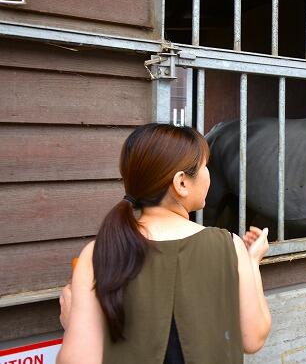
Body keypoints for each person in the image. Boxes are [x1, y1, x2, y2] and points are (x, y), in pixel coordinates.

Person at [57, 123, 271, 364]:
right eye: (204, 166)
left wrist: (72, 323)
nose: (209, 173)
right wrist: (251, 262)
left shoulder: (97, 252)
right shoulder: (228, 245)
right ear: (181, 183)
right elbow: (253, 338)